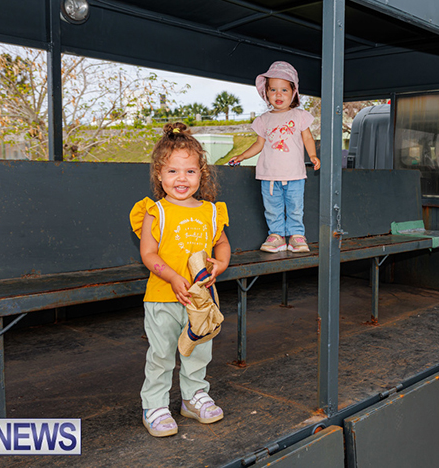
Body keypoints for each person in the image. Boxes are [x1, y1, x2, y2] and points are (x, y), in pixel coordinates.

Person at [130, 122, 231, 437]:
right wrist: (173, 277)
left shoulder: (210, 212)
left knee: (198, 351)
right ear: (159, 175)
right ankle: (155, 406)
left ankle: (193, 397)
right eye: (172, 171)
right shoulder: (155, 212)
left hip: (200, 301)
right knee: (161, 355)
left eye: (189, 171)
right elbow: (149, 254)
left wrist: (221, 264)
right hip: (163, 297)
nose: (181, 178)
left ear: (202, 174)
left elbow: (222, 244)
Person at [228, 61, 320, 253]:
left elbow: (307, 138)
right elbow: (259, 144)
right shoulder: (263, 119)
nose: (278, 95)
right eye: (273, 90)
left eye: (284, 90)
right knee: (272, 207)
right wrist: (242, 155)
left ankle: (296, 236)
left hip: (294, 174)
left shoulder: (299, 116)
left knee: (295, 206)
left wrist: (312, 155)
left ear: (293, 92)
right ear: (266, 93)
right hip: (269, 175)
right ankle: (277, 236)